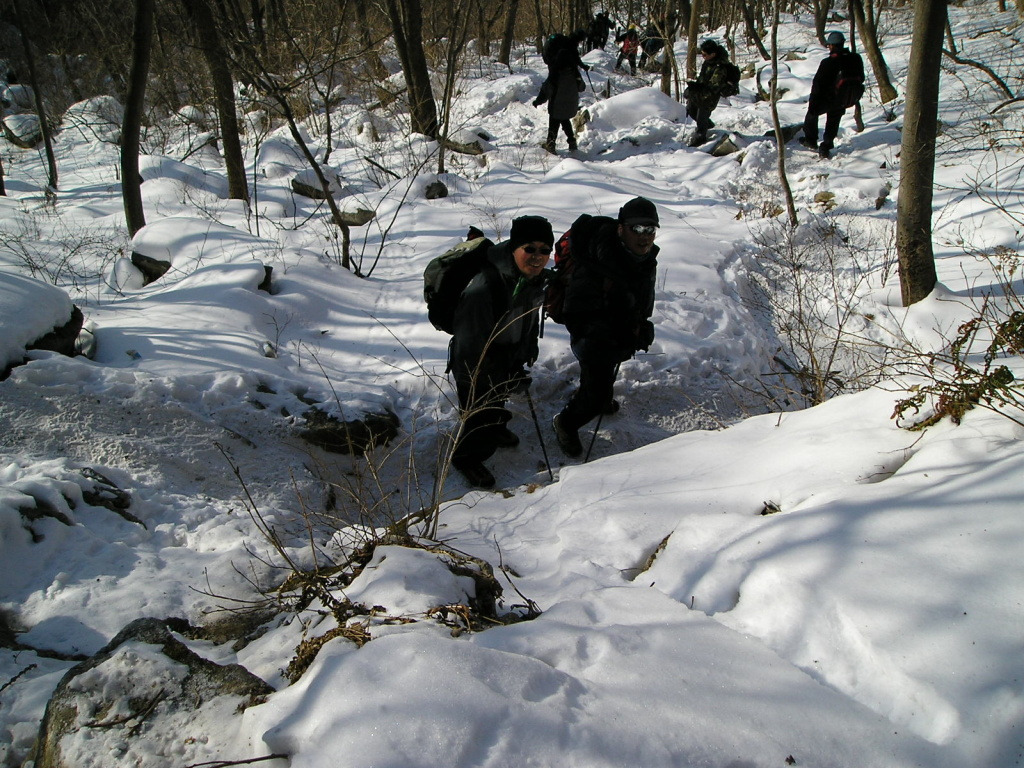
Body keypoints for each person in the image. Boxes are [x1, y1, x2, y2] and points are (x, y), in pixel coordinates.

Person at [448, 215, 554, 488]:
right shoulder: (486, 287)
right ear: (514, 248)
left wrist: (526, 350)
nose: (537, 256)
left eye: (544, 250)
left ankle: (494, 428)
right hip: (476, 365)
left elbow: (527, 317)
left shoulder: (531, 279)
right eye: (529, 249)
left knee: (497, 401)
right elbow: (471, 346)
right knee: (480, 411)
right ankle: (467, 456)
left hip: (505, 357)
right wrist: (497, 371)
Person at [552, 197, 660, 457]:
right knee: (595, 390)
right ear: (621, 228)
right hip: (594, 338)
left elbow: (639, 293)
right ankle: (566, 423)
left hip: (617, 334)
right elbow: (576, 311)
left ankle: (596, 397)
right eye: (637, 229)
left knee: (601, 379)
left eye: (650, 229)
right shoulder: (596, 262)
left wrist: (639, 322)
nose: (644, 236)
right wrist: (607, 336)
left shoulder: (642, 257)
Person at [800, 31, 865, 159]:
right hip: (845, 98)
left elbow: (818, 84)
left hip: (829, 98)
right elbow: (861, 78)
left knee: (812, 114)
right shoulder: (856, 58)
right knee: (834, 119)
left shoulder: (828, 62)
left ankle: (811, 140)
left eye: (829, 45)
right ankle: (826, 146)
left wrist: (813, 102)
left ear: (832, 46)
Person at [534, 41, 586, 153]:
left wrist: (538, 101)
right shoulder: (574, 72)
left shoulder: (555, 73)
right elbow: (582, 87)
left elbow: (546, 90)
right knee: (564, 119)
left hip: (556, 104)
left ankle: (550, 144)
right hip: (570, 105)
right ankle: (572, 142)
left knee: (554, 123)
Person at [685, 38, 733, 147]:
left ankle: (700, 137)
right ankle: (707, 124)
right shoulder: (708, 63)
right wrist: (692, 88)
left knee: (702, 114)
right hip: (701, 92)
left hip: (710, 96)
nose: (703, 57)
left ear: (713, 54)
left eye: (705, 55)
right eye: (702, 54)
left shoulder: (720, 68)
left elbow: (713, 88)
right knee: (691, 109)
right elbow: (702, 79)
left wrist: (696, 92)